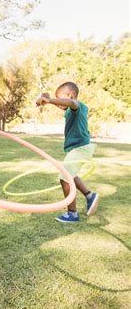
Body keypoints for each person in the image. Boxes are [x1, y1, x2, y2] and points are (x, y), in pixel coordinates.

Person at [36, 82, 99, 222]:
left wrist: (50, 100)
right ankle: (90, 196)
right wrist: (50, 100)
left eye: (60, 98)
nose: (58, 102)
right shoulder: (70, 110)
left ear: (70, 96)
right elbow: (64, 104)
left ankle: (72, 213)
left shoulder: (77, 106)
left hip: (81, 148)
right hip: (79, 148)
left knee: (65, 178)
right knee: (71, 174)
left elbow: (70, 102)